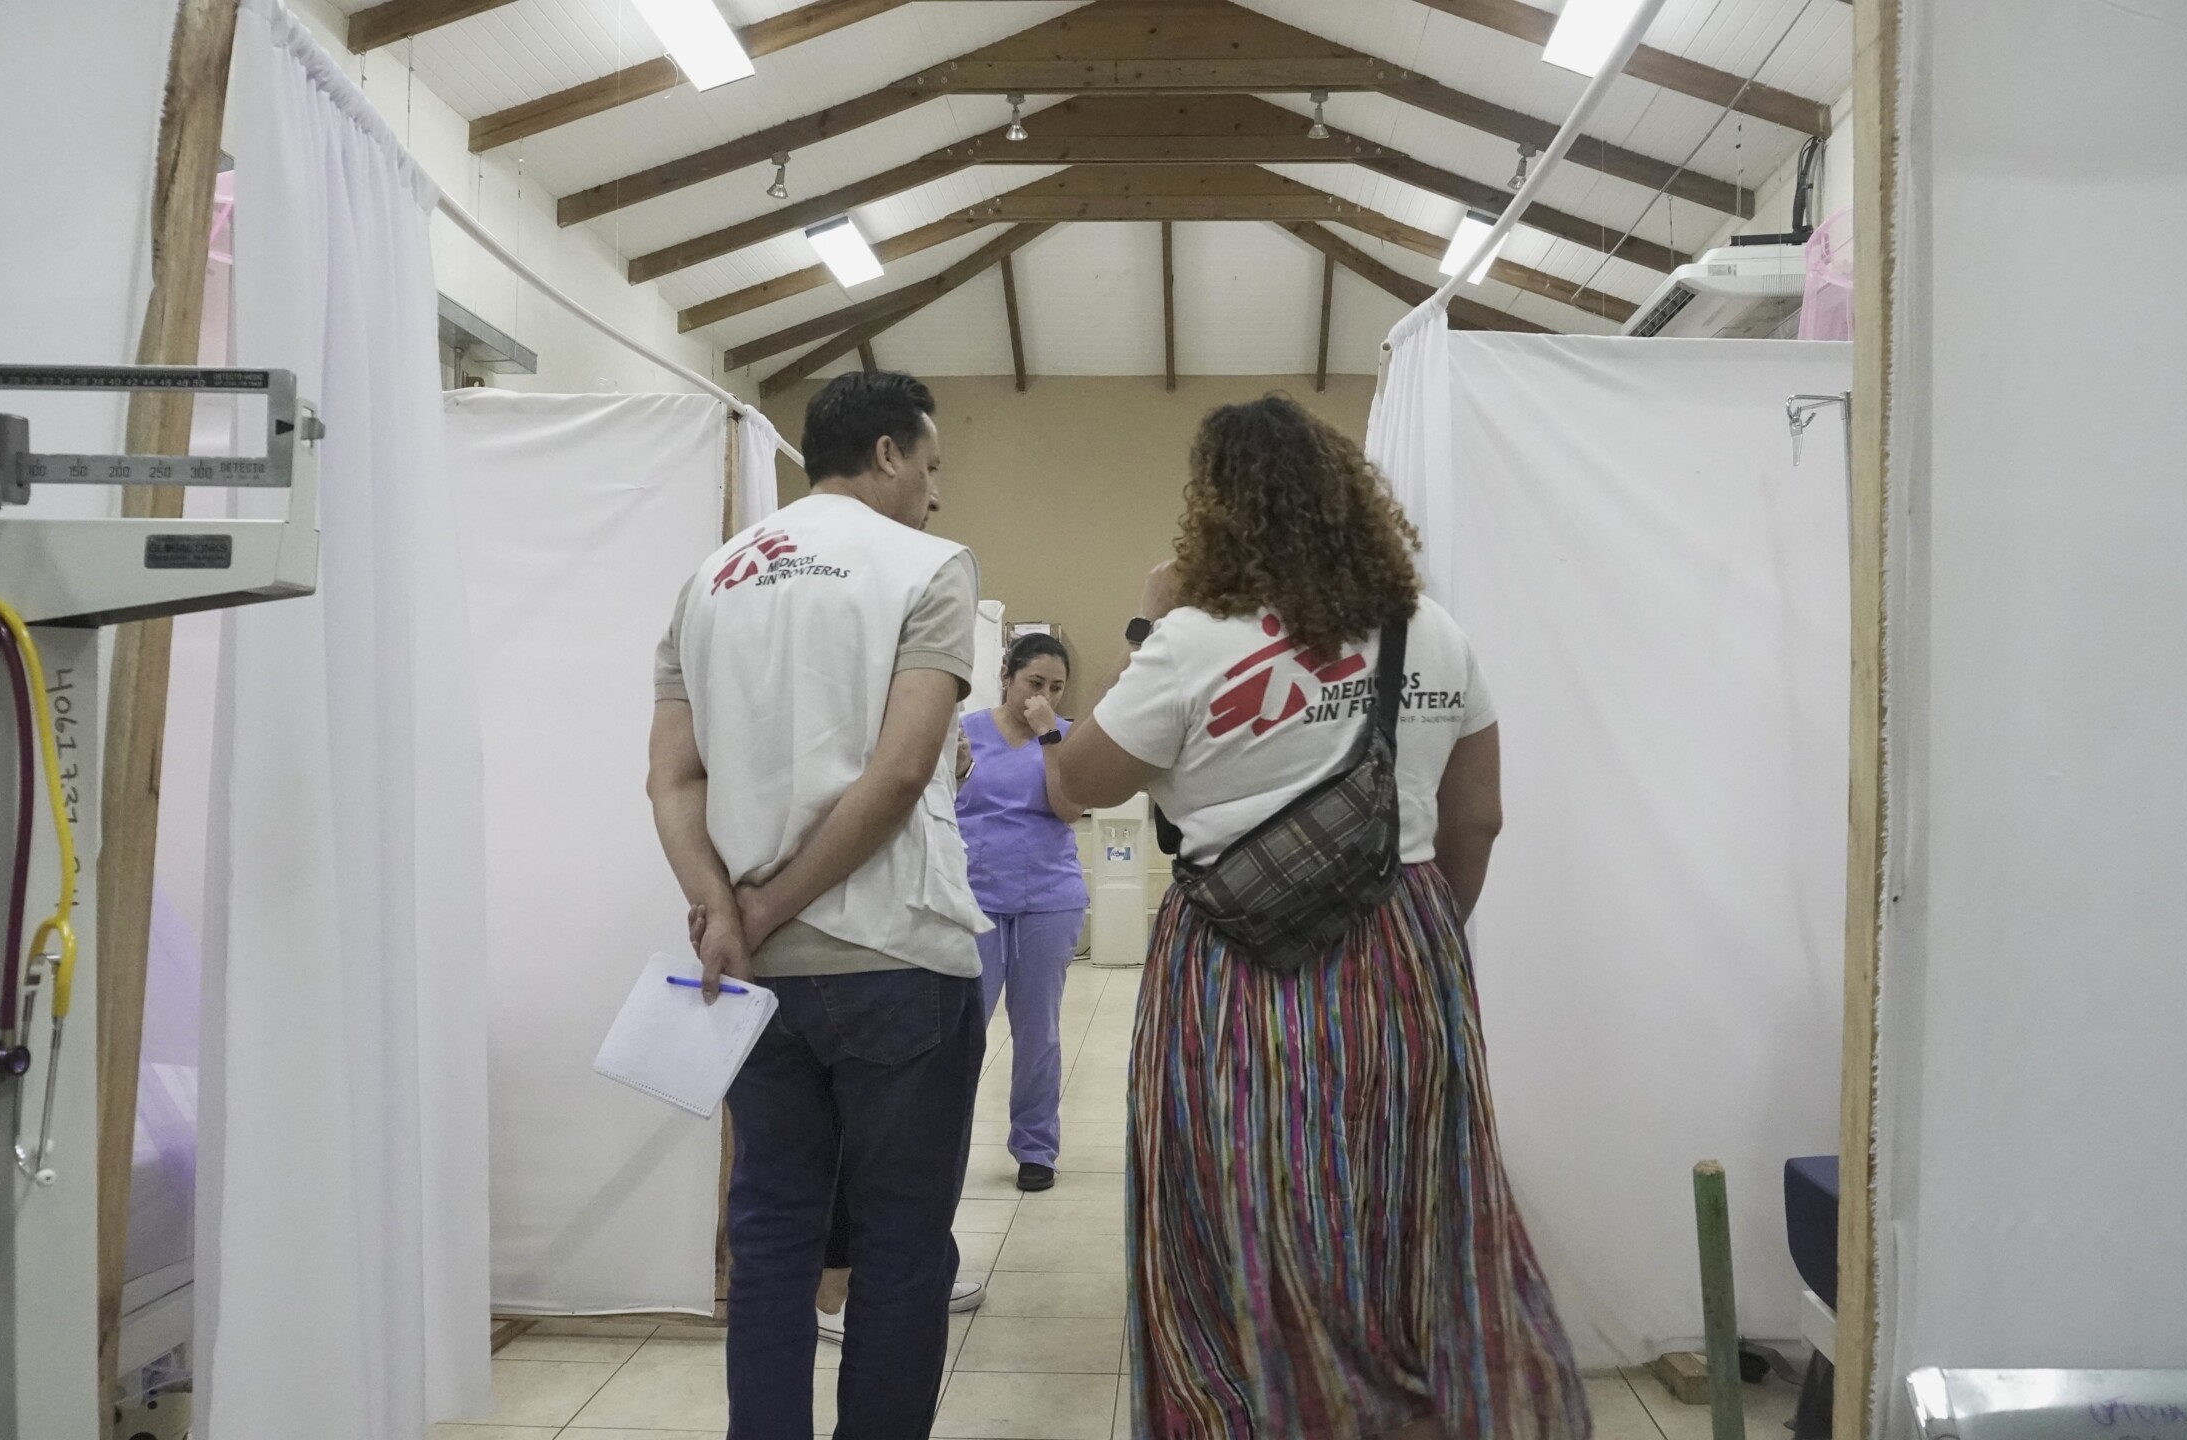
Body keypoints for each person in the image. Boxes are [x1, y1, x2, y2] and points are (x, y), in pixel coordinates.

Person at [1046, 395, 1588, 1439]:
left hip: (1234, 972)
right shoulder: (1431, 631)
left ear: (1213, 511)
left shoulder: (1189, 641)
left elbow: (1073, 782)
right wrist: (1409, 929)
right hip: (1409, 952)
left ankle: (1257, 1409)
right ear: (1351, 502)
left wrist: (1146, 619)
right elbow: (1479, 816)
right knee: (1407, 1208)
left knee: (1244, 1207)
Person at [646, 368, 989, 1438]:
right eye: (930, 467)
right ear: (888, 454)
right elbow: (894, 779)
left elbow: (673, 777)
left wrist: (723, 910)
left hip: (752, 984)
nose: (935, 493)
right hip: (896, 958)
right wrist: (772, 906)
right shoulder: (926, 567)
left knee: (773, 1240)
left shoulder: (707, 580)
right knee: (897, 1251)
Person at [955, 632, 1091, 1193]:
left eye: (1056, 688)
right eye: (1035, 683)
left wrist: (1051, 738)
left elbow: (1068, 808)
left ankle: (1035, 1147)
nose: (1045, 695)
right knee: (964, 1034)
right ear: (1006, 675)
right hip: (976, 896)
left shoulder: (1065, 735)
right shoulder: (962, 730)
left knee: (1039, 1032)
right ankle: (944, 1145)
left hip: (1048, 899)